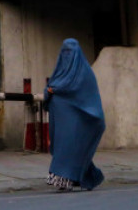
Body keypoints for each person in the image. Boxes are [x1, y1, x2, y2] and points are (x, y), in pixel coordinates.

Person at [43, 38, 105, 191]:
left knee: (69, 147)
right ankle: (85, 177)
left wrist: (54, 90)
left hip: (79, 120)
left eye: (70, 52)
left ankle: (66, 180)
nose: (67, 55)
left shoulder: (86, 73)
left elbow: (86, 94)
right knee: (63, 148)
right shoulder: (59, 72)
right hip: (60, 119)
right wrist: (50, 91)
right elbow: (51, 88)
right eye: (64, 52)